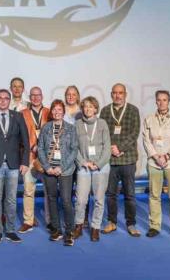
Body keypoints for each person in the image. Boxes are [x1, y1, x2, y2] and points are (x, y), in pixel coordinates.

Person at [0, 89, 29, 244]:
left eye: (6, 98)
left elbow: (26, 142)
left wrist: (25, 162)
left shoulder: (18, 116)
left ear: (10, 100)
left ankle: (10, 230)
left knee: (11, 200)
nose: (3, 100)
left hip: (14, 164)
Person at [142, 90, 170, 240]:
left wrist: (167, 156)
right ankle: (154, 226)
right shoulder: (149, 119)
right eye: (159, 100)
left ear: (169, 101)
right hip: (154, 163)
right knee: (154, 196)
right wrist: (155, 156)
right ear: (156, 101)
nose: (161, 102)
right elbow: (146, 140)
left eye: (164, 100)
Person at [100, 83, 142, 237]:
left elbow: (135, 133)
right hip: (110, 160)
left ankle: (131, 224)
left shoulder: (133, 110)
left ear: (125, 94)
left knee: (129, 194)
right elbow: (102, 133)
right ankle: (112, 222)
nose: (117, 96)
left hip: (128, 159)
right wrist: (111, 148)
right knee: (111, 194)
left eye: (120, 93)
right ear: (111, 94)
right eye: (115, 93)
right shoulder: (105, 111)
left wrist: (120, 148)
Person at [37, 100, 79, 246]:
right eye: (54, 109)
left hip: (65, 170)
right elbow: (40, 148)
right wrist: (47, 167)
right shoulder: (46, 128)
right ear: (51, 112)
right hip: (49, 170)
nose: (56, 112)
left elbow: (74, 150)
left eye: (59, 109)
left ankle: (70, 232)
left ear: (63, 111)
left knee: (66, 200)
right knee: (52, 199)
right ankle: (56, 230)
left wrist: (61, 167)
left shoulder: (71, 128)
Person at [73, 96, 112, 242]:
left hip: (100, 167)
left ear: (96, 109)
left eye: (91, 106)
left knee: (99, 200)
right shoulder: (77, 124)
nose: (88, 109)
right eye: (85, 106)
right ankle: (78, 226)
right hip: (84, 166)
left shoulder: (102, 123)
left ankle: (95, 227)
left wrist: (98, 164)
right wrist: (83, 162)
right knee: (81, 200)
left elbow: (107, 147)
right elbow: (74, 147)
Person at [19, 86, 49, 234]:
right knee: (28, 190)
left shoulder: (49, 112)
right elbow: (19, 135)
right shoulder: (22, 113)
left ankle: (50, 220)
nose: (36, 98)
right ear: (29, 98)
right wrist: (32, 146)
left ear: (42, 96)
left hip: (47, 158)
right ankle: (28, 221)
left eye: (38, 95)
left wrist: (42, 148)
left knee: (49, 191)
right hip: (29, 156)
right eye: (33, 95)